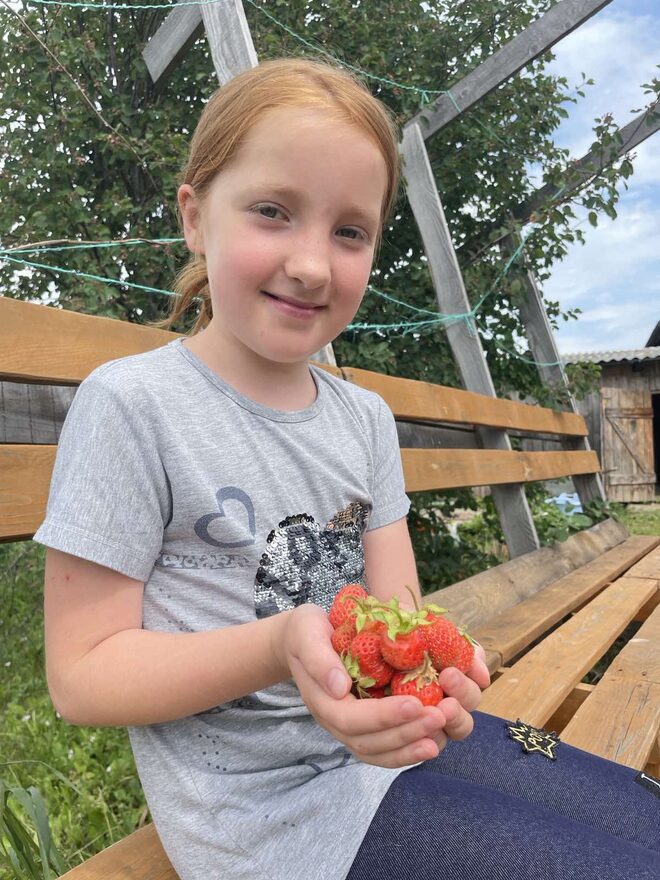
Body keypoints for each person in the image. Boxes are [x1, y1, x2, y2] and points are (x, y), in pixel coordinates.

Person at [35, 58, 659, 880]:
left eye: (349, 232)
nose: (313, 264)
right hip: (271, 818)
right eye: (272, 211)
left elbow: (397, 608)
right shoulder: (134, 405)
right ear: (195, 216)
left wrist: (432, 669)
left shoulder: (360, 415)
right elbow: (83, 677)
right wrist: (281, 644)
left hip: (394, 753)